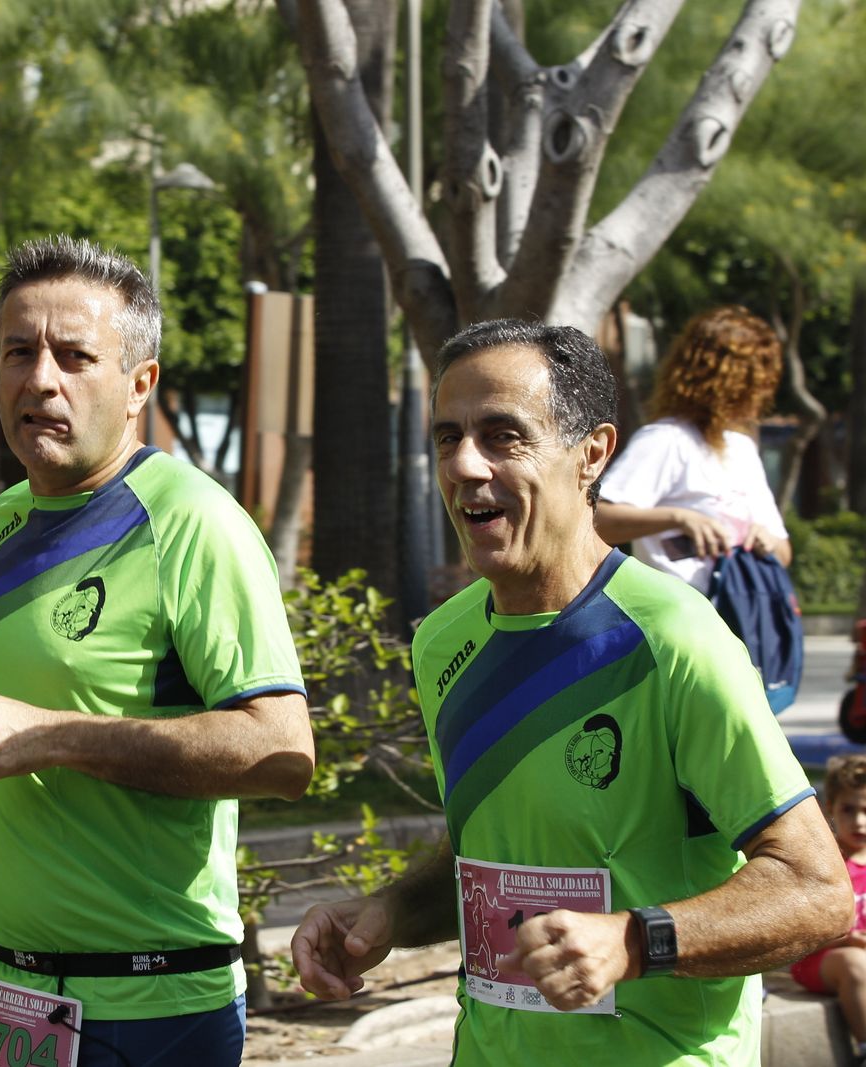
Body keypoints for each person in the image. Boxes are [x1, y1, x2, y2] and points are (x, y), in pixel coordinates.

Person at [290, 319, 850, 1066]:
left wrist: (632, 940)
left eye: (502, 436)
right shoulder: (443, 641)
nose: (464, 464)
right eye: (447, 437)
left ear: (592, 454)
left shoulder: (675, 638)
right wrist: (386, 911)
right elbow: (490, 846)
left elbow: (818, 890)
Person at [0, 235, 314, 1067]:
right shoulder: (13, 514)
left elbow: (281, 748)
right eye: (18, 353)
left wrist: (52, 737)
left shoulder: (193, 521)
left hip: (146, 1006)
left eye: (74, 356)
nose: (40, 379)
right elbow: (50, 704)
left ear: (139, 385)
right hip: (0, 993)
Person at [596, 306, 791, 593]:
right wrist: (678, 518)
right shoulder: (666, 440)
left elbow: (784, 553)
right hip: (680, 617)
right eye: (754, 379)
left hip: (739, 616)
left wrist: (768, 541)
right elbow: (597, 518)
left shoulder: (742, 448)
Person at [789, 755, 866, 1057]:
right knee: (855, 964)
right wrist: (850, 939)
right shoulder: (826, 861)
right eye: (848, 810)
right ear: (830, 808)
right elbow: (804, 929)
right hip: (822, 959)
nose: (859, 821)